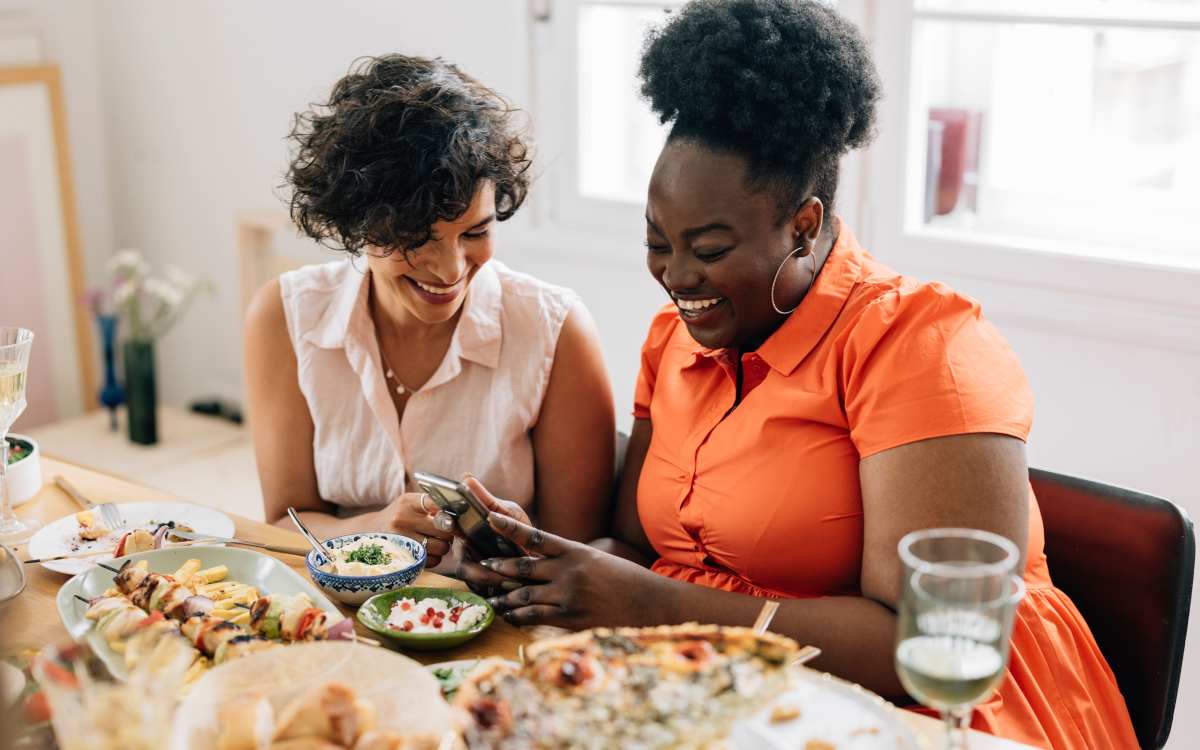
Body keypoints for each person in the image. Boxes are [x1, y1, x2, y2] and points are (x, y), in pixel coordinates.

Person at [460, 2, 1138, 747]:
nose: (676, 276)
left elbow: (920, 647)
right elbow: (645, 551)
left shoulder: (923, 349)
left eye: (710, 248)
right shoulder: (675, 342)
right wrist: (552, 563)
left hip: (940, 711)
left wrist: (646, 604)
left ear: (805, 227)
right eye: (658, 241)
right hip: (724, 685)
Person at [244, 54, 615, 571]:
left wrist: (520, 541)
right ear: (357, 223)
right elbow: (285, 525)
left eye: (476, 232)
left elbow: (585, 564)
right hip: (340, 604)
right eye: (416, 239)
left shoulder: (555, 331)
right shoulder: (285, 317)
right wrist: (373, 528)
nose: (450, 269)